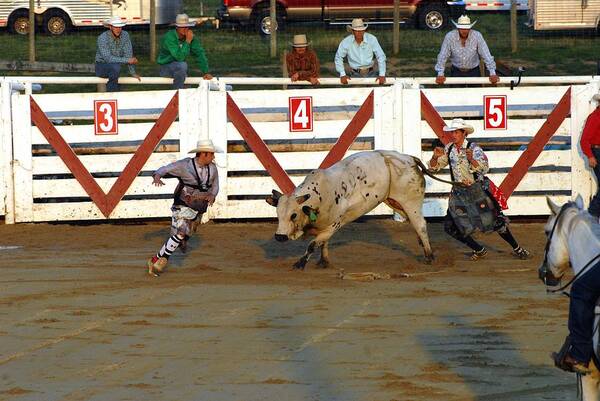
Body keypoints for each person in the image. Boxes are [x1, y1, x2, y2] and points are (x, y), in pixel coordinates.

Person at [428, 118, 530, 260]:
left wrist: (472, 160)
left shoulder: (474, 148)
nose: (453, 135)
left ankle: (517, 248)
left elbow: (484, 168)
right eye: (452, 132)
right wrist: (434, 157)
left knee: (496, 223)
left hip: (476, 191)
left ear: (464, 133)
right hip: (459, 193)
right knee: (450, 226)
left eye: (456, 132)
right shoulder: (449, 149)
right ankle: (479, 249)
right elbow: (434, 168)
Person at [147, 139, 221, 276]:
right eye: (211, 154)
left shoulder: (213, 168)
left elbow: (215, 185)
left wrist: (213, 195)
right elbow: (164, 169)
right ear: (203, 154)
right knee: (180, 233)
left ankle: (154, 259)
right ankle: (162, 262)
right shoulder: (184, 165)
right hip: (182, 202)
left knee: (186, 233)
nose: (214, 157)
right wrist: (157, 176)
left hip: (199, 205)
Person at [434, 15, 499, 85]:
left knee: (475, 94)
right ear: (458, 28)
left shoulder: (477, 36)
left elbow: (486, 54)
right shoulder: (450, 37)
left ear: (470, 28)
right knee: (455, 95)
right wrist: (440, 74)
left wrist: (492, 73)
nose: (464, 31)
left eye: (467, 28)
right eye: (462, 28)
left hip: (474, 71)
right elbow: (443, 55)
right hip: (456, 70)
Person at [157, 13, 213, 89]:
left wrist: (206, 72)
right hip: (165, 67)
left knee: (184, 77)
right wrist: (187, 41)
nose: (185, 29)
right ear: (176, 27)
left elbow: (199, 54)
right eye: (182, 27)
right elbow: (179, 57)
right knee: (182, 66)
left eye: (187, 26)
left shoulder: (190, 37)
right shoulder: (169, 37)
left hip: (179, 69)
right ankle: (178, 93)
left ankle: (182, 89)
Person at [334, 18, 386, 85]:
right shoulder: (346, 42)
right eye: (356, 31)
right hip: (354, 73)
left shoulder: (372, 39)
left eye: (361, 30)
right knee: (357, 94)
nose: (359, 33)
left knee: (375, 93)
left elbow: (381, 56)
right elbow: (338, 57)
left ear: (364, 30)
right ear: (353, 31)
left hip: (371, 72)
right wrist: (342, 74)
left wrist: (382, 74)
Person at [95, 16, 140, 92]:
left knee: (115, 68)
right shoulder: (102, 38)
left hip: (116, 66)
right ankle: (112, 94)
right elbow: (108, 58)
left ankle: (114, 92)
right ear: (110, 27)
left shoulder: (125, 35)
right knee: (115, 67)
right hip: (101, 65)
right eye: (116, 27)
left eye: (120, 27)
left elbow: (128, 54)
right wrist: (127, 60)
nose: (118, 29)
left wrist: (133, 72)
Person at [580, 93, 600, 219]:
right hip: (597, 152)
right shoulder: (595, 117)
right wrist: (590, 156)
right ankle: (592, 213)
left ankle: (592, 214)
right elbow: (584, 140)